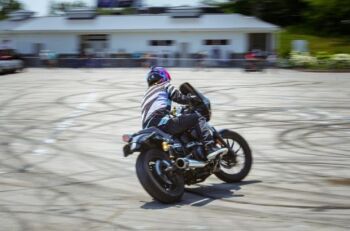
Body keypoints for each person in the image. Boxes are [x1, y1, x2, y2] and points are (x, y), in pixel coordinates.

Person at [141, 66, 226, 161]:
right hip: (161, 122)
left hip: (149, 127)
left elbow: (158, 110)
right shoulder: (163, 85)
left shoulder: (146, 94)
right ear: (163, 76)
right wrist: (192, 99)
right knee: (197, 117)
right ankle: (210, 148)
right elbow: (179, 97)